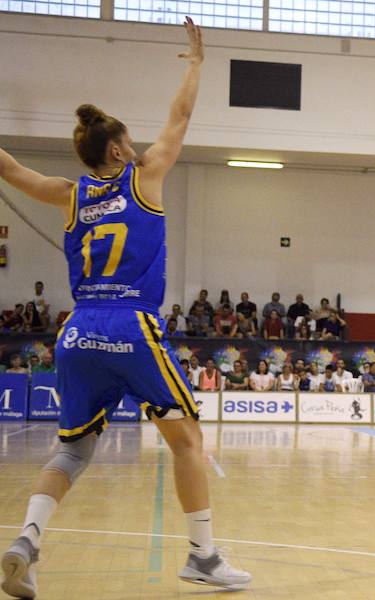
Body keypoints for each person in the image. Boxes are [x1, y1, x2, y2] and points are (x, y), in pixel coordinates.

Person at [0, 19, 250, 597]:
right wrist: (195, 64)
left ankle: (27, 540)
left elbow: (11, 170)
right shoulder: (144, 178)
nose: (137, 144)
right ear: (116, 149)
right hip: (131, 323)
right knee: (187, 440)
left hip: (78, 328)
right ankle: (203, 556)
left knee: (73, 449)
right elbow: (181, 120)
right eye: (129, 139)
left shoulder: (67, 194)